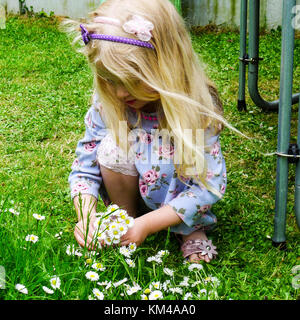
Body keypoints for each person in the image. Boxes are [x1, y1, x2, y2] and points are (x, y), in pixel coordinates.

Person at [63, 0, 228, 263]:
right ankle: (124, 216)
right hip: (130, 186)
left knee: (176, 152)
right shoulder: (111, 99)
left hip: (179, 195)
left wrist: (150, 225)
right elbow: (86, 163)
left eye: (131, 81)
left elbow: (208, 187)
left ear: (167, 66)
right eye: (110, 80)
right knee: (110, 147)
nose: (119, 92)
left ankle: (188, 227)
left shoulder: (195, 109)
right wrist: (86, 215)